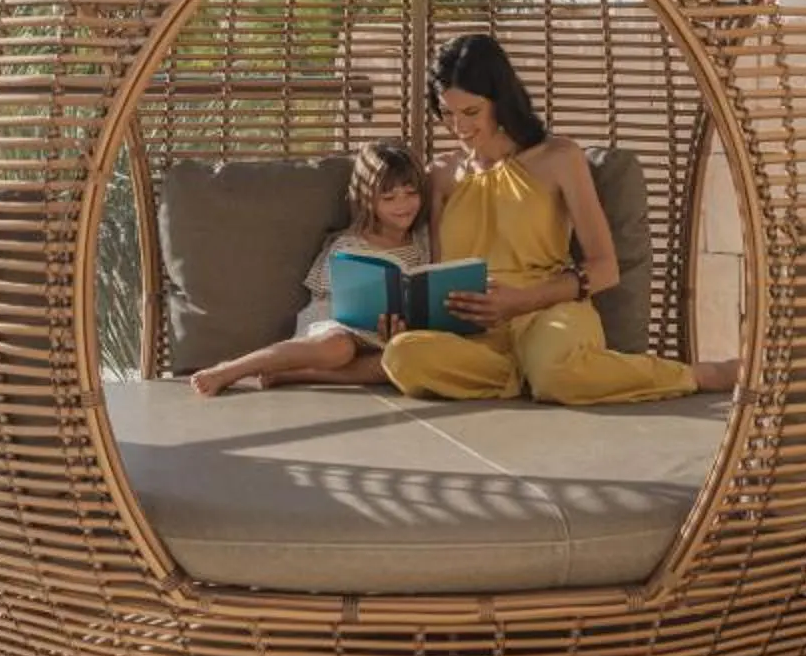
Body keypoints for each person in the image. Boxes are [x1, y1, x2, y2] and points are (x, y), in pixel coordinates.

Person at [381, 34, 736, 406]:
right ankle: (527, 375)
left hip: (548, 311)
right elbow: (439, 273)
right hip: (477, 331)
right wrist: (413, 317)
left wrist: (522, 300)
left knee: (556, 370)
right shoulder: (440, 174)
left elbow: (605, 269)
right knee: (401, 355)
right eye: (447, 113)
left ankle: (698, 375)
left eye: (471, 112)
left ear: (500, 101)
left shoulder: (559, 158)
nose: (459, 127)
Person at [190, 139, 430, 396]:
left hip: (384, 336)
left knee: (402, 360)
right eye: (389, 198)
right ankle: (233, 369)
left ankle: (294, 374)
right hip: (336, 328)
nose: (403, 205)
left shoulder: (422, 242)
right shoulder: (350, 245)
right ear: (367, 200)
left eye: (411, 193)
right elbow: (327, 299)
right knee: (339, 349)